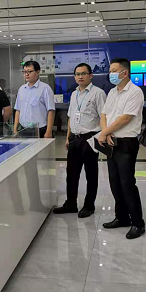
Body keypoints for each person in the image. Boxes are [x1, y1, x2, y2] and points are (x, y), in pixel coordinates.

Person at [99, 58, 145, 239]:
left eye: (114, 70)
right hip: (111, 141)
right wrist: (106, 133)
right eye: (110, 70)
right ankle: (122, 217)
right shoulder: (112, 92)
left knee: (127, 184)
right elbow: (104, 114)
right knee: (115, 183)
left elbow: (126, 118)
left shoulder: (135, 92)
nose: (110, 73)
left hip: (126, 142)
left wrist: (104, 133)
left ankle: (137, 223)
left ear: (124, 73)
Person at [53, 63, 106, 218]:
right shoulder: (74, 93)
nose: (80, 76)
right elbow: (70, 117)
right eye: (77, 74)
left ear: (90, 75)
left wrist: (102, 136)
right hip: (74, 139)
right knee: (71, 174)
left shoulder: (98, 93)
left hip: (90, 138)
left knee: (91, 174)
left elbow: (103, 117)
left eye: (83, 73)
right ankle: (71, 203)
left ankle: (89, 205)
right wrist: (68, 137)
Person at [13, 61, 55, 138]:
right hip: (23, 129)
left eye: (29, 71)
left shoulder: (45, 88)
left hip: (40, 130)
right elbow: (18, 110)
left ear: (38, 72)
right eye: (24, 72)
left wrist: (48, 132)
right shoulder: (22, 89)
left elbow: (51, 111)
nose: (26, 74)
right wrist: (15, 129)